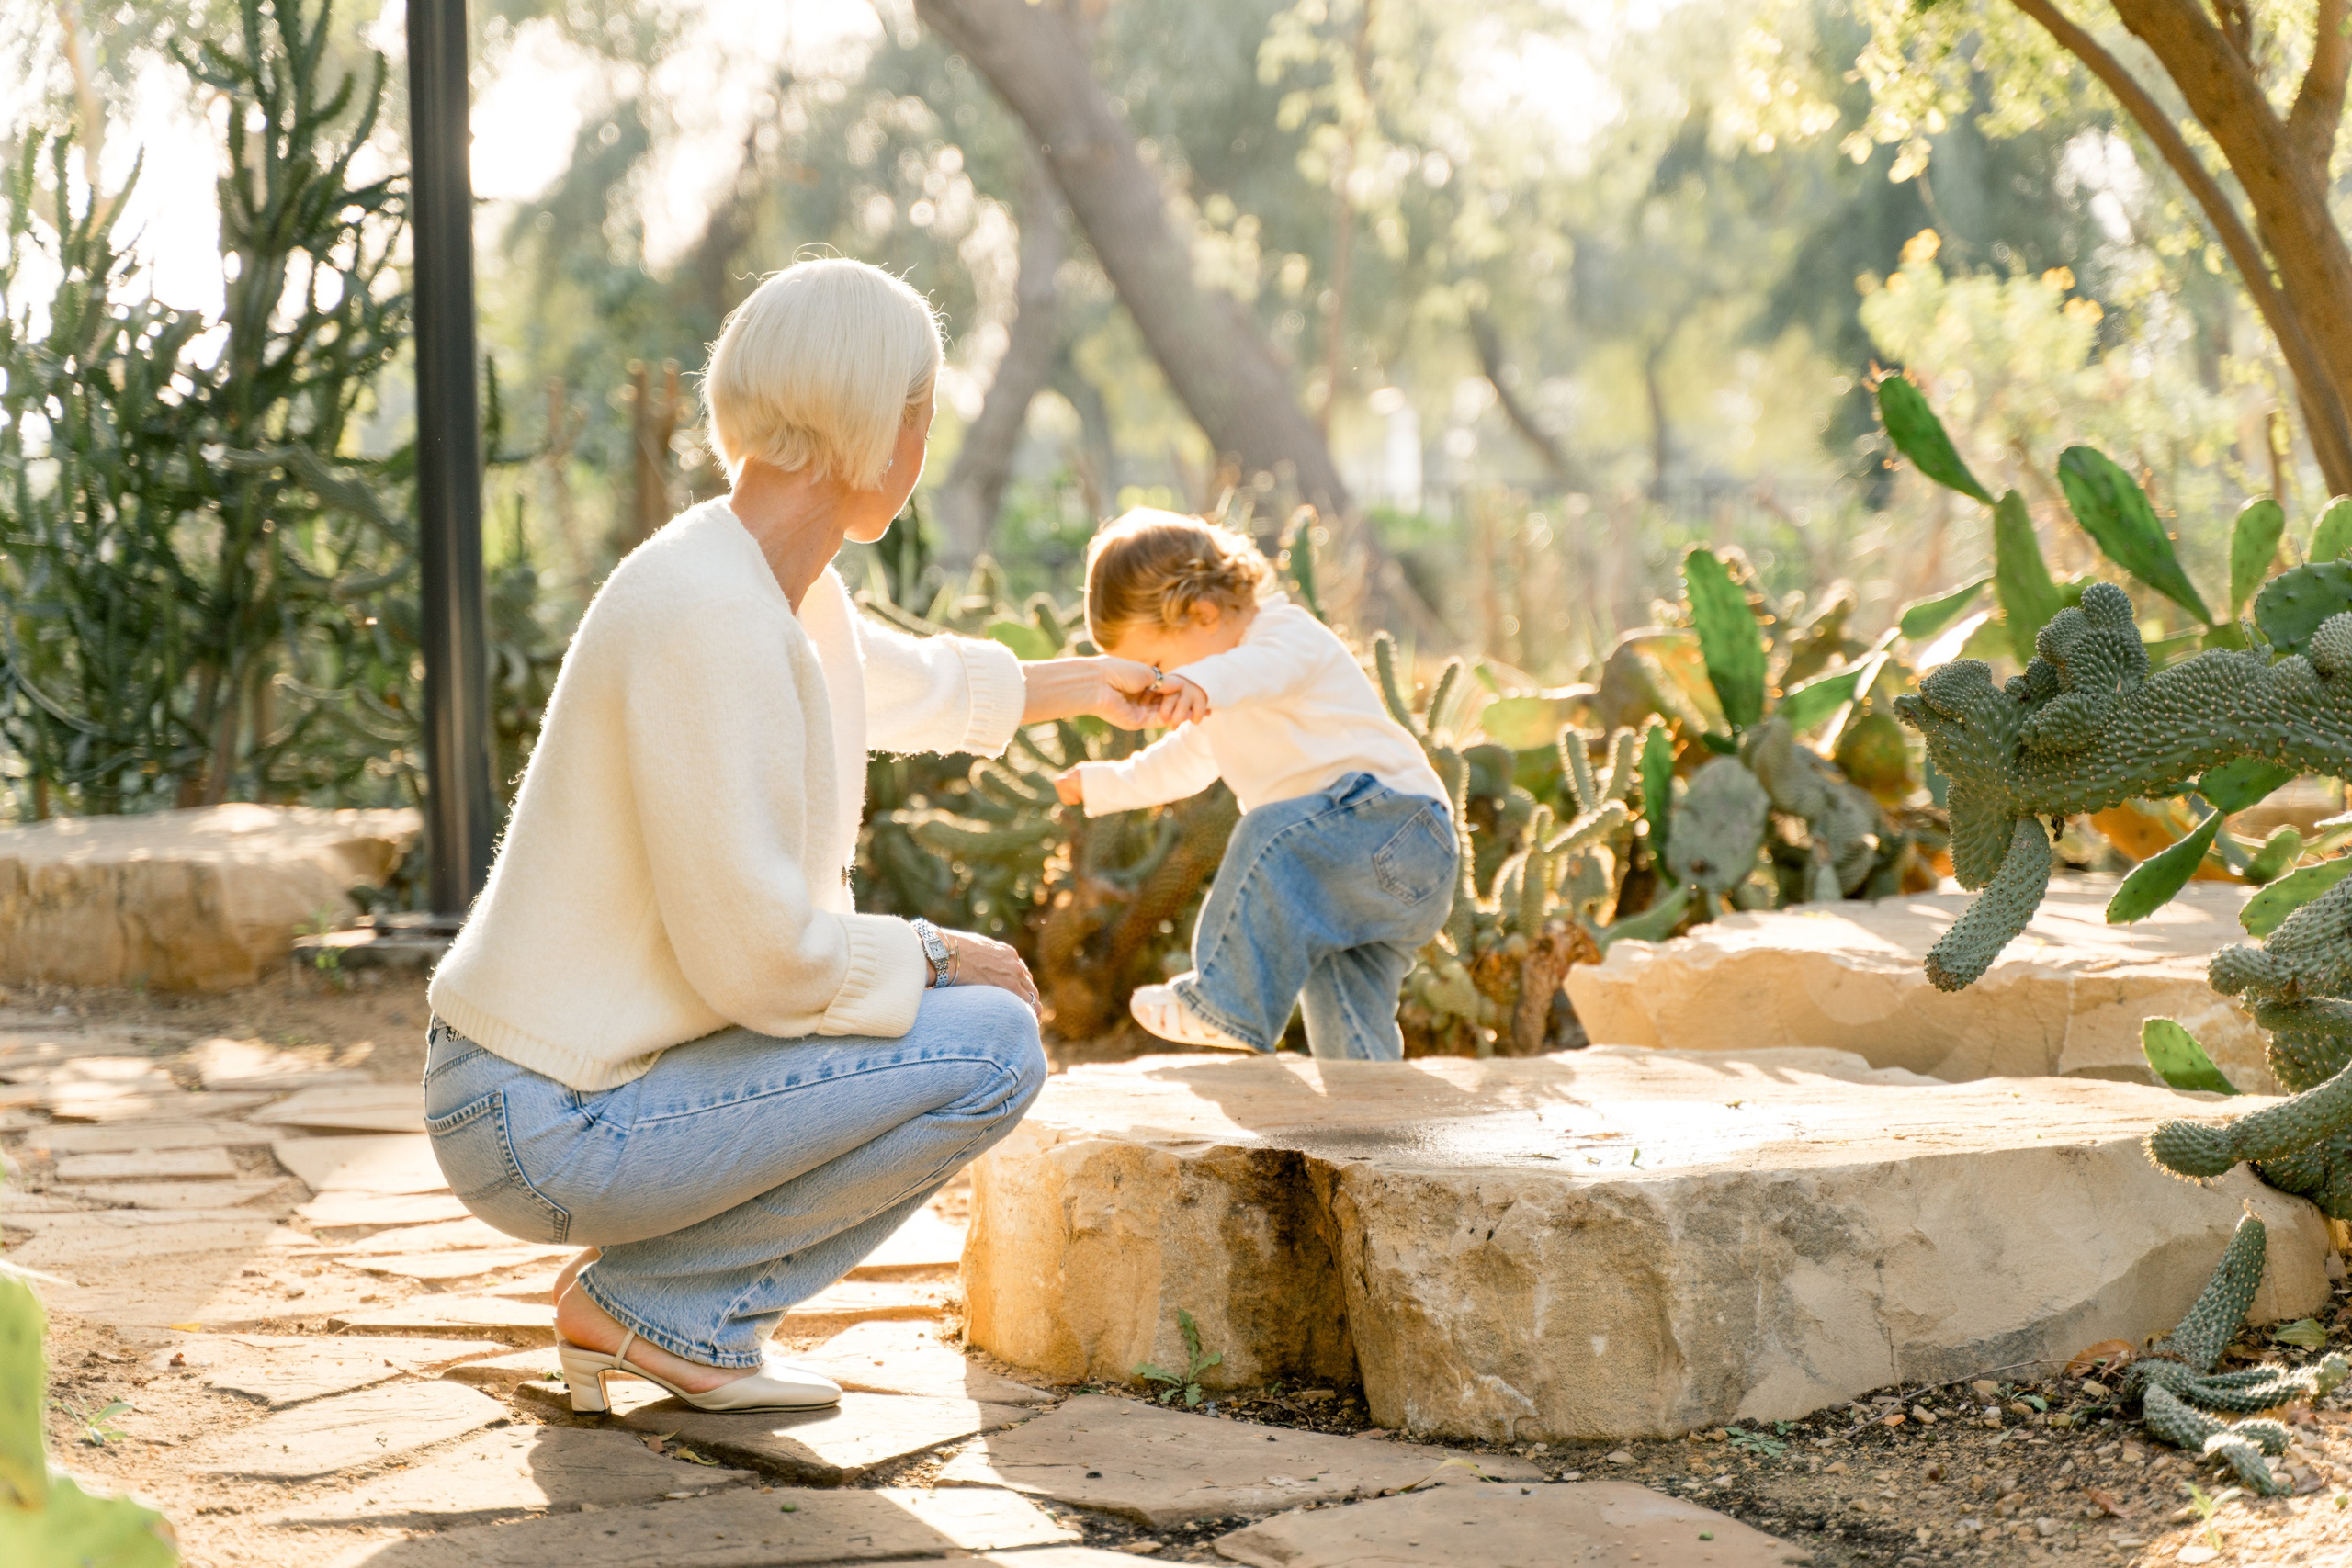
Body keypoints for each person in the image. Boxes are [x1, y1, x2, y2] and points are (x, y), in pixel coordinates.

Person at [422, 258, 1162, 1415]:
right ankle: (669, 1314)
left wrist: (1090, 685)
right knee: (989, 1045)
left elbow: (901, 684)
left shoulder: (759, 580)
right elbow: (758, 956)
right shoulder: (710, 615)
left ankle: (654, 1311)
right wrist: (931, 951)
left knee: (976, 1030)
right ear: (879, 421)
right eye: (922, 410)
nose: (925, 440)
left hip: (558, 1092)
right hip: (542, 1119)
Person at [1052, 508, 1458, 1062]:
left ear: (1204, 611)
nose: (1154, 687)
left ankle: (1226, 1004)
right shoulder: (1218, 693)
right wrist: (1102, 785)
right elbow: (1182, 765)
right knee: (1342, 1003)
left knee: (1268, 830)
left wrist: (1198, 681)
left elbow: (1259, 670)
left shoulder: (1285, 636)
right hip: (1351, 878)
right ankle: (1371, 1116)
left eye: (1155, 665)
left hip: (1397, 832)